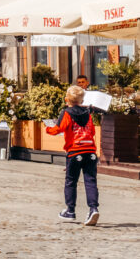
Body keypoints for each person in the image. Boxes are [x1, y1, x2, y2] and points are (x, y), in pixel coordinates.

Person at [45, 84, 99, 225]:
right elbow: (92, 131)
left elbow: (59, 128)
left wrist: (48, 129)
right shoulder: (87, 113)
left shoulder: (67, 112)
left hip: (75, 151)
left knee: (71, 181)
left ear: (66, 99)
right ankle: (93, 208)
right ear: (81, 100)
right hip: (91, 151)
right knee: (90, 181)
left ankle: (70, 211)